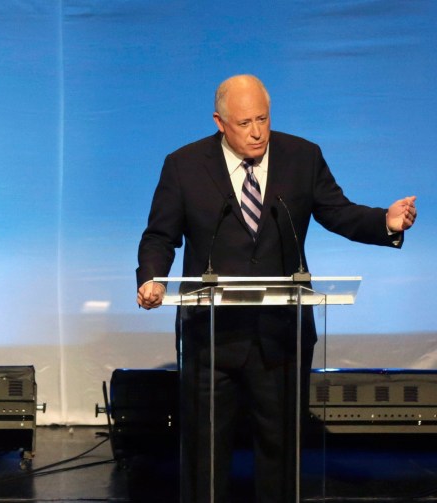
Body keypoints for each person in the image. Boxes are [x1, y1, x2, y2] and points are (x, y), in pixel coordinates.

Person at [136, 74, 416, 502]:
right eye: (245, 122)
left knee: (280, 450)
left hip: (281, 334)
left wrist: (386, 222)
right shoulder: (184, 165)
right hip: (210, 337)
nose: (256, 131)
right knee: (204, 453)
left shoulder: (301, 157)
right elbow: (160, 235)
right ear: (220, 122)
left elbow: (338, 212)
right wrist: (151, 277)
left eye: (263, 119)